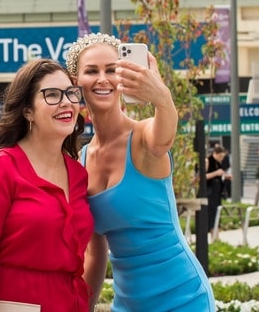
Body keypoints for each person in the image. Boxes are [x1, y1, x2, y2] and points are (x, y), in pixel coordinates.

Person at [66, 32, 214, 311]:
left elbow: (165, 137)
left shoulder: (145, 136)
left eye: (112, 69)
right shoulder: (81, 160)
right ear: (76, 81)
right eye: (91, 71)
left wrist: (161, 96)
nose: (102, 79)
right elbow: (94, 255)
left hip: (183, 297)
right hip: (128, 304)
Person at [0, 58, 93, 311]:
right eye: (51, 95)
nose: (66, 102)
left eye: (71, 93)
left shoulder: (78, 174)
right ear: (27, 110)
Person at [206, 145, 230, 237]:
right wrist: (216, 173)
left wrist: (224, 175)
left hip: (217, 192)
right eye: (220, 157)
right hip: (210, 192)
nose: (221, 159)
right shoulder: (208, 161)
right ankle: (213, 235)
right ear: (215, 154)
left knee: (217, 214)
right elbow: (201, 177)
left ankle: (216, 235)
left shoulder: (218, 163)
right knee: (211, 215)